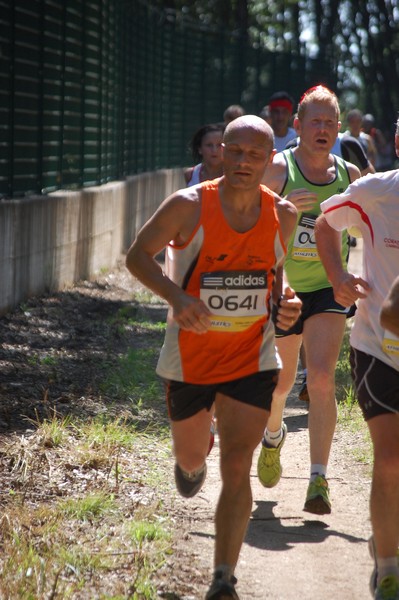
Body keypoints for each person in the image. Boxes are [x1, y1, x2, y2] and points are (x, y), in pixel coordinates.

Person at [125, 115, 301, 600]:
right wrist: (177, 299)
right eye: (235, 152)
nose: (244, 162)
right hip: (191, 357)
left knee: (238, 463)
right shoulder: (188, 206)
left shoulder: (283, 213)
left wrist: (288, 304)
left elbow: (274, 276)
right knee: (190, 460)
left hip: (252, 357)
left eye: (255, 155)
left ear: (271, 159)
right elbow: (137, 256)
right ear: (220, 150)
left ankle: (224, 577)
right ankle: (191, 460)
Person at [257, 85, 361, 515]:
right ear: (297, 125)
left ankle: (318, 478)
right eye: (314, 121)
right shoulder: (278, 169)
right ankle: (273, 433)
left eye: (330, 122)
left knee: (320, 378)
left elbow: (369, 230)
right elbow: (246, 221)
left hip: (327, 289)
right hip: (285, 288)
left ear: (338, 129)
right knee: (281, 385)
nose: (323, 129)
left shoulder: (350, 176)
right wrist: (281, 208)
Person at [314, 116, 399, 600]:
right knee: (389, 459)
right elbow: (325, 223)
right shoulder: (375, 192)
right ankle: (388, 566)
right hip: (377, 347)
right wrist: (337, 277)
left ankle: (387, 533)